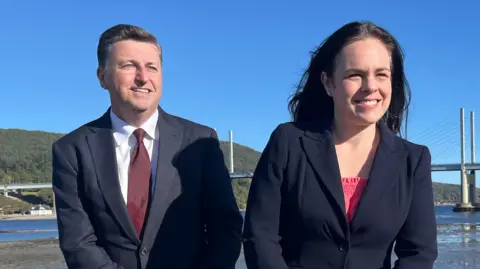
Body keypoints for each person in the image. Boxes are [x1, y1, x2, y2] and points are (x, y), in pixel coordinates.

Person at [242, 21, 438, 269]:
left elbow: (419, 253)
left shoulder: (413, 159)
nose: (370, 87)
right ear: (328, 83)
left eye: (381, 74)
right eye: (355, 75)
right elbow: (260, 236)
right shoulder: (289, 142)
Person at [51, 24, 243, 269]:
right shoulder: (71, 150)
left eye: (152, 67)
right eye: (128, 66)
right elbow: (78, 242)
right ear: (102, 77)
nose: (143, 77)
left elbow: (225, 228)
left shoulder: (200, 142)